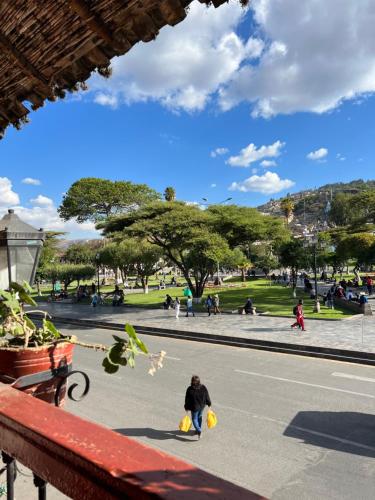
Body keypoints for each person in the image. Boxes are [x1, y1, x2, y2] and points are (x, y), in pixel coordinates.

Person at [184, 375, 212, 439]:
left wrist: (186, 407)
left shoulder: (190, 389)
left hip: (194, 408)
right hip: (202, 406)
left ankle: (199, 430)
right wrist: (209, 403)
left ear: (192, 381)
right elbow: (207, 395)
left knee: (194, 419)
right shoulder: (203, 387)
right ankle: (198, 429)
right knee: (199, 417)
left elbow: (187, 399)